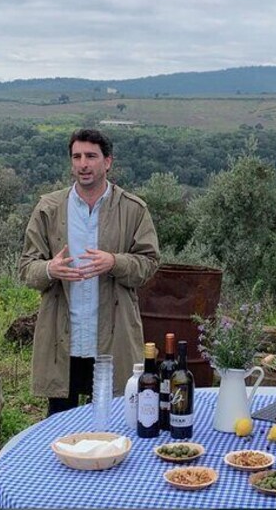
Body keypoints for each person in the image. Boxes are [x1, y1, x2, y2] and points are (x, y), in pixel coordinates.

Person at [19, 128, 160, 416]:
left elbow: (148, 264)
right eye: (77, 156)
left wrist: (114, 262)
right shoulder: (49, 208)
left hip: (112, 337)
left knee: (112, 420)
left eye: (91, 156)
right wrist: (50, 269)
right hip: (64, 338)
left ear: (107, 162)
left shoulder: (133, 209)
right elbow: (26, 268)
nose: (83, 164)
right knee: (60, 422)